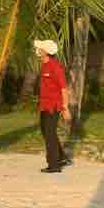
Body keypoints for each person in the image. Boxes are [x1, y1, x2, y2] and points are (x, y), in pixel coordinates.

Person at [34, 39, 71, 174]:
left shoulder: (55, 66)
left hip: (54, 106)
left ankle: (54, 165)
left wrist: (65, 108)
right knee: (46, 131)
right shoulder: (44, 65)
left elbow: (63, 89)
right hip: (44, 105)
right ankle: (61, 157)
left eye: (40, 48)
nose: (37, 50)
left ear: (45, 52)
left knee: (49, 134)